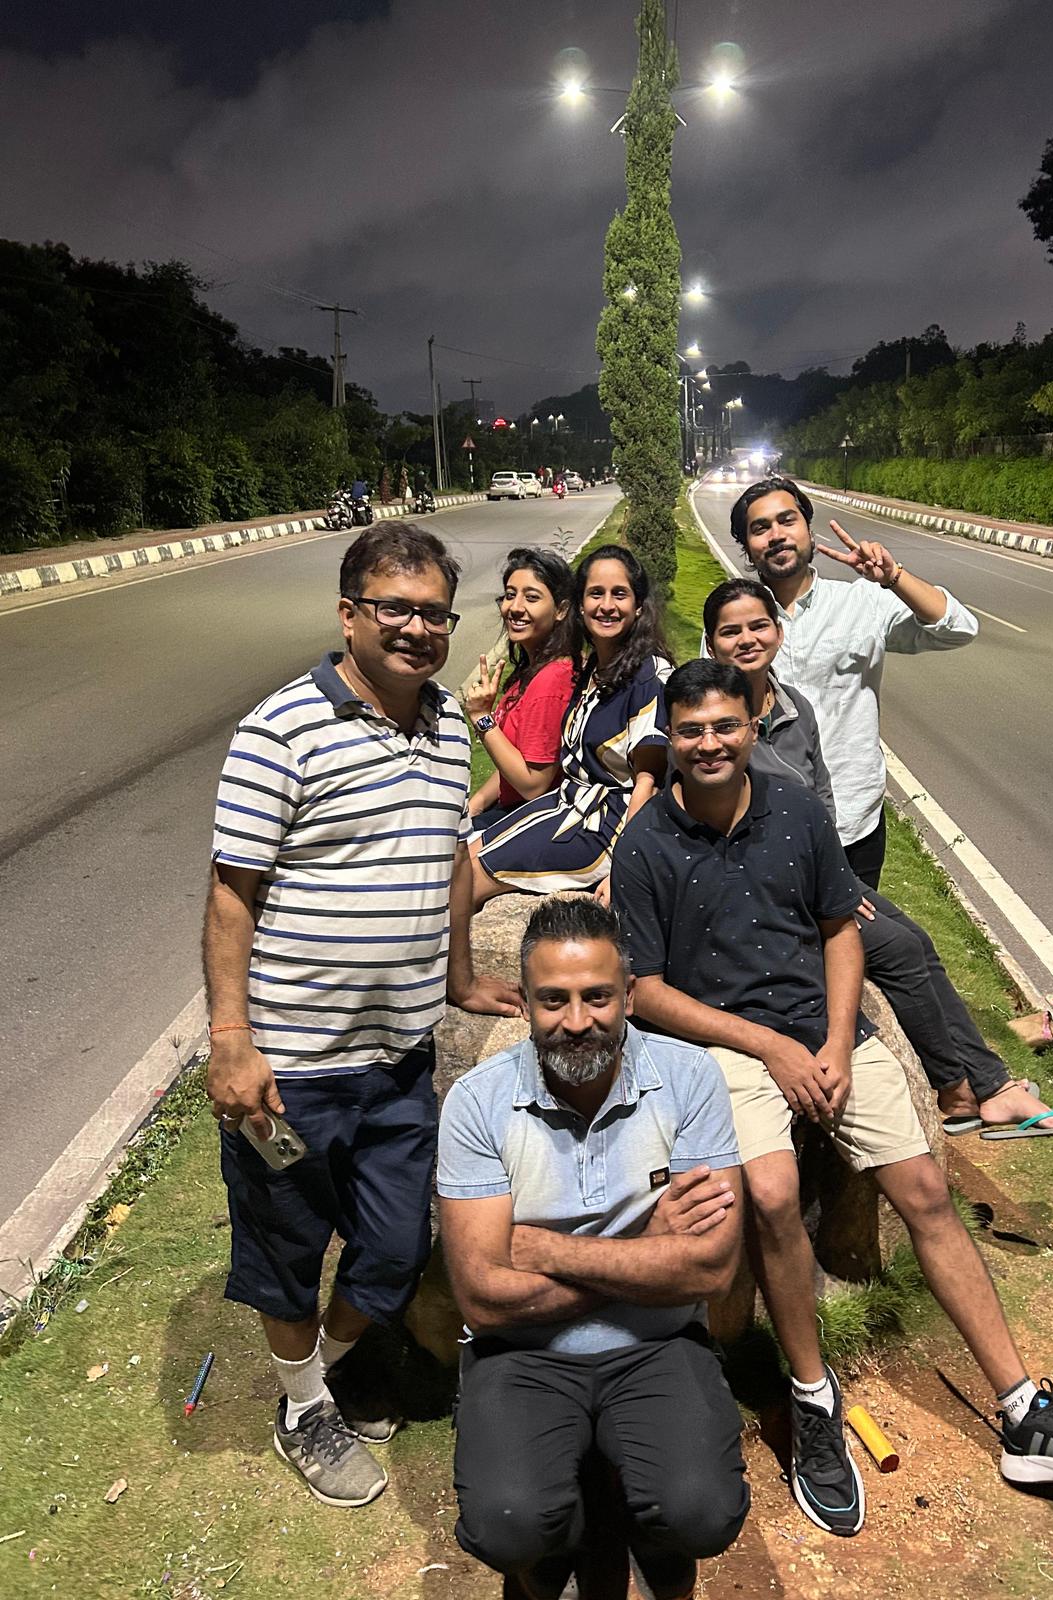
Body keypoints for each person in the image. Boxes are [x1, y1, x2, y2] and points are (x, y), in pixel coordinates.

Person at [610, 659, 1053, 1536]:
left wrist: (832, 1041)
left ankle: (1022, 1408)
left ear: (753, 725)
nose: (709, 744)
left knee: (928, 1190)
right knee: (775, 1197)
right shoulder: (644, 847)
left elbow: (838, 930)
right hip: (725, 1045)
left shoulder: (797, 813)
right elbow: (647, 991)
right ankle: (813, 1398)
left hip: (828, 1034)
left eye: (725, 726)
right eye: (691, 730)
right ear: (668, 739)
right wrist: (775, 1047)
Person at [203, 523, 521, 1509]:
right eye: (397, 608)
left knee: (392, 1245)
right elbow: (231, 895)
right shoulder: (278, 730)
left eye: (434, 612)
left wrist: (461, 977)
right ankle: (301, 1404)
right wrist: (230, 1040)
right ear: (351, 614)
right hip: (292, 1067)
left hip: (397, 1063)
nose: (418, 629)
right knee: (286, 1256)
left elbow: (450, 869)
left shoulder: (444, 731)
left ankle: (321, 1374)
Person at [438, 896, 749, 1599]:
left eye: (596, 997)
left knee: (703, 1515)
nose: (577, 1021)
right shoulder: (478, 1103)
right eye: (554, 1000)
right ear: (523, 1004)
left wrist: (544, 1251)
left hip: (659, 1345)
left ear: (630, 996)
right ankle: (565, 1536)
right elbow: (483, 1299)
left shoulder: (689, 1079)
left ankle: (647, 1523)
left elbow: (715, 1266)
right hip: (522, 1353)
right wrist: (650, 1250)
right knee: (508, 1524)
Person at [704, 577, 1053, 1142]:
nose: (746, 639)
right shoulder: (714, 722)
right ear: (711, 643)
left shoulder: (793, 706)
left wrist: (834, 880)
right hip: (765, 893)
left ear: (780, 634)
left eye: (758, 625)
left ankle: (985, 1084)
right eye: (729, 631)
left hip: (814, 876)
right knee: (898, 947)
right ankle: (962, 1090)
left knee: (917, 939)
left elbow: (821, 800)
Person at [717, 475, 978, 888]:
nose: (776, 536)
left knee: (852, 946)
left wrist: (893, 578)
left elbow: (957, 628)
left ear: (808, 528)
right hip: (759, 824)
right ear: (747, 545)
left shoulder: (863, 602)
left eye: (787, 520)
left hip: (853, 823)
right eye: (760, 528)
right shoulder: (735, 626)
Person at [471, 544, 672, 910]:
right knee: (461, 858)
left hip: (605, 826)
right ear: (580, 605)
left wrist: (627, 866)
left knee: (467, 880)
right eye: (596, 593)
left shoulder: (650, 675)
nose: (606, 605)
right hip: (565, 806)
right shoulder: (594, 670)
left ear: (639, 606)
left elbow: (649, 781)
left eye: (619, 594)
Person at [465, 547, 578, 833]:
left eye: (531, 597)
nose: (514, 607)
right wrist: (476, 803)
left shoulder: (553, 678)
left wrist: (482, 719)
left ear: (562, 610)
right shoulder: (532, 669)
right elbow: (516, 759)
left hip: (530, 820)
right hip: (511, 808)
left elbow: (533, 784)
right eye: (509, 594)